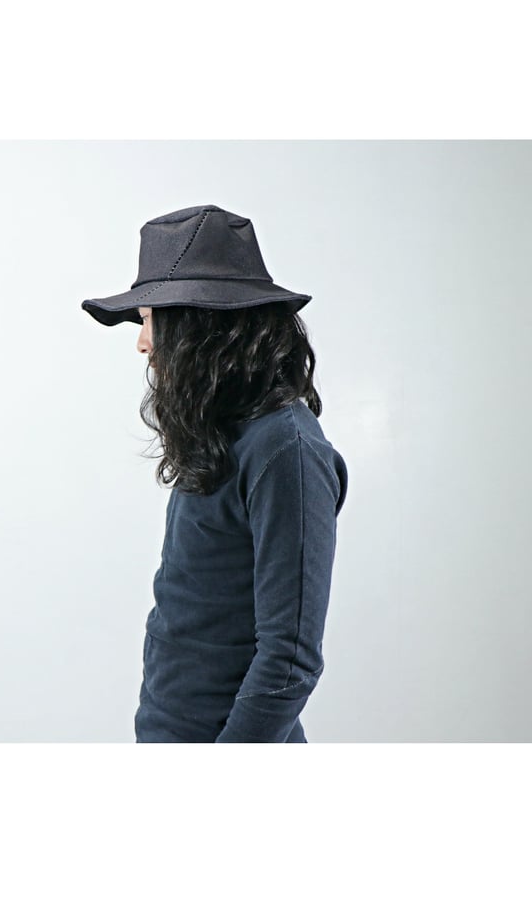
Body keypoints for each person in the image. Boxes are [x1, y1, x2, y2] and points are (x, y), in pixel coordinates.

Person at [81, 204, 348, 742]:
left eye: (150, 319)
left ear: (200, 324)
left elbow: (290, 660)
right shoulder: (220, 428)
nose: (142, 342)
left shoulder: (285, 449)